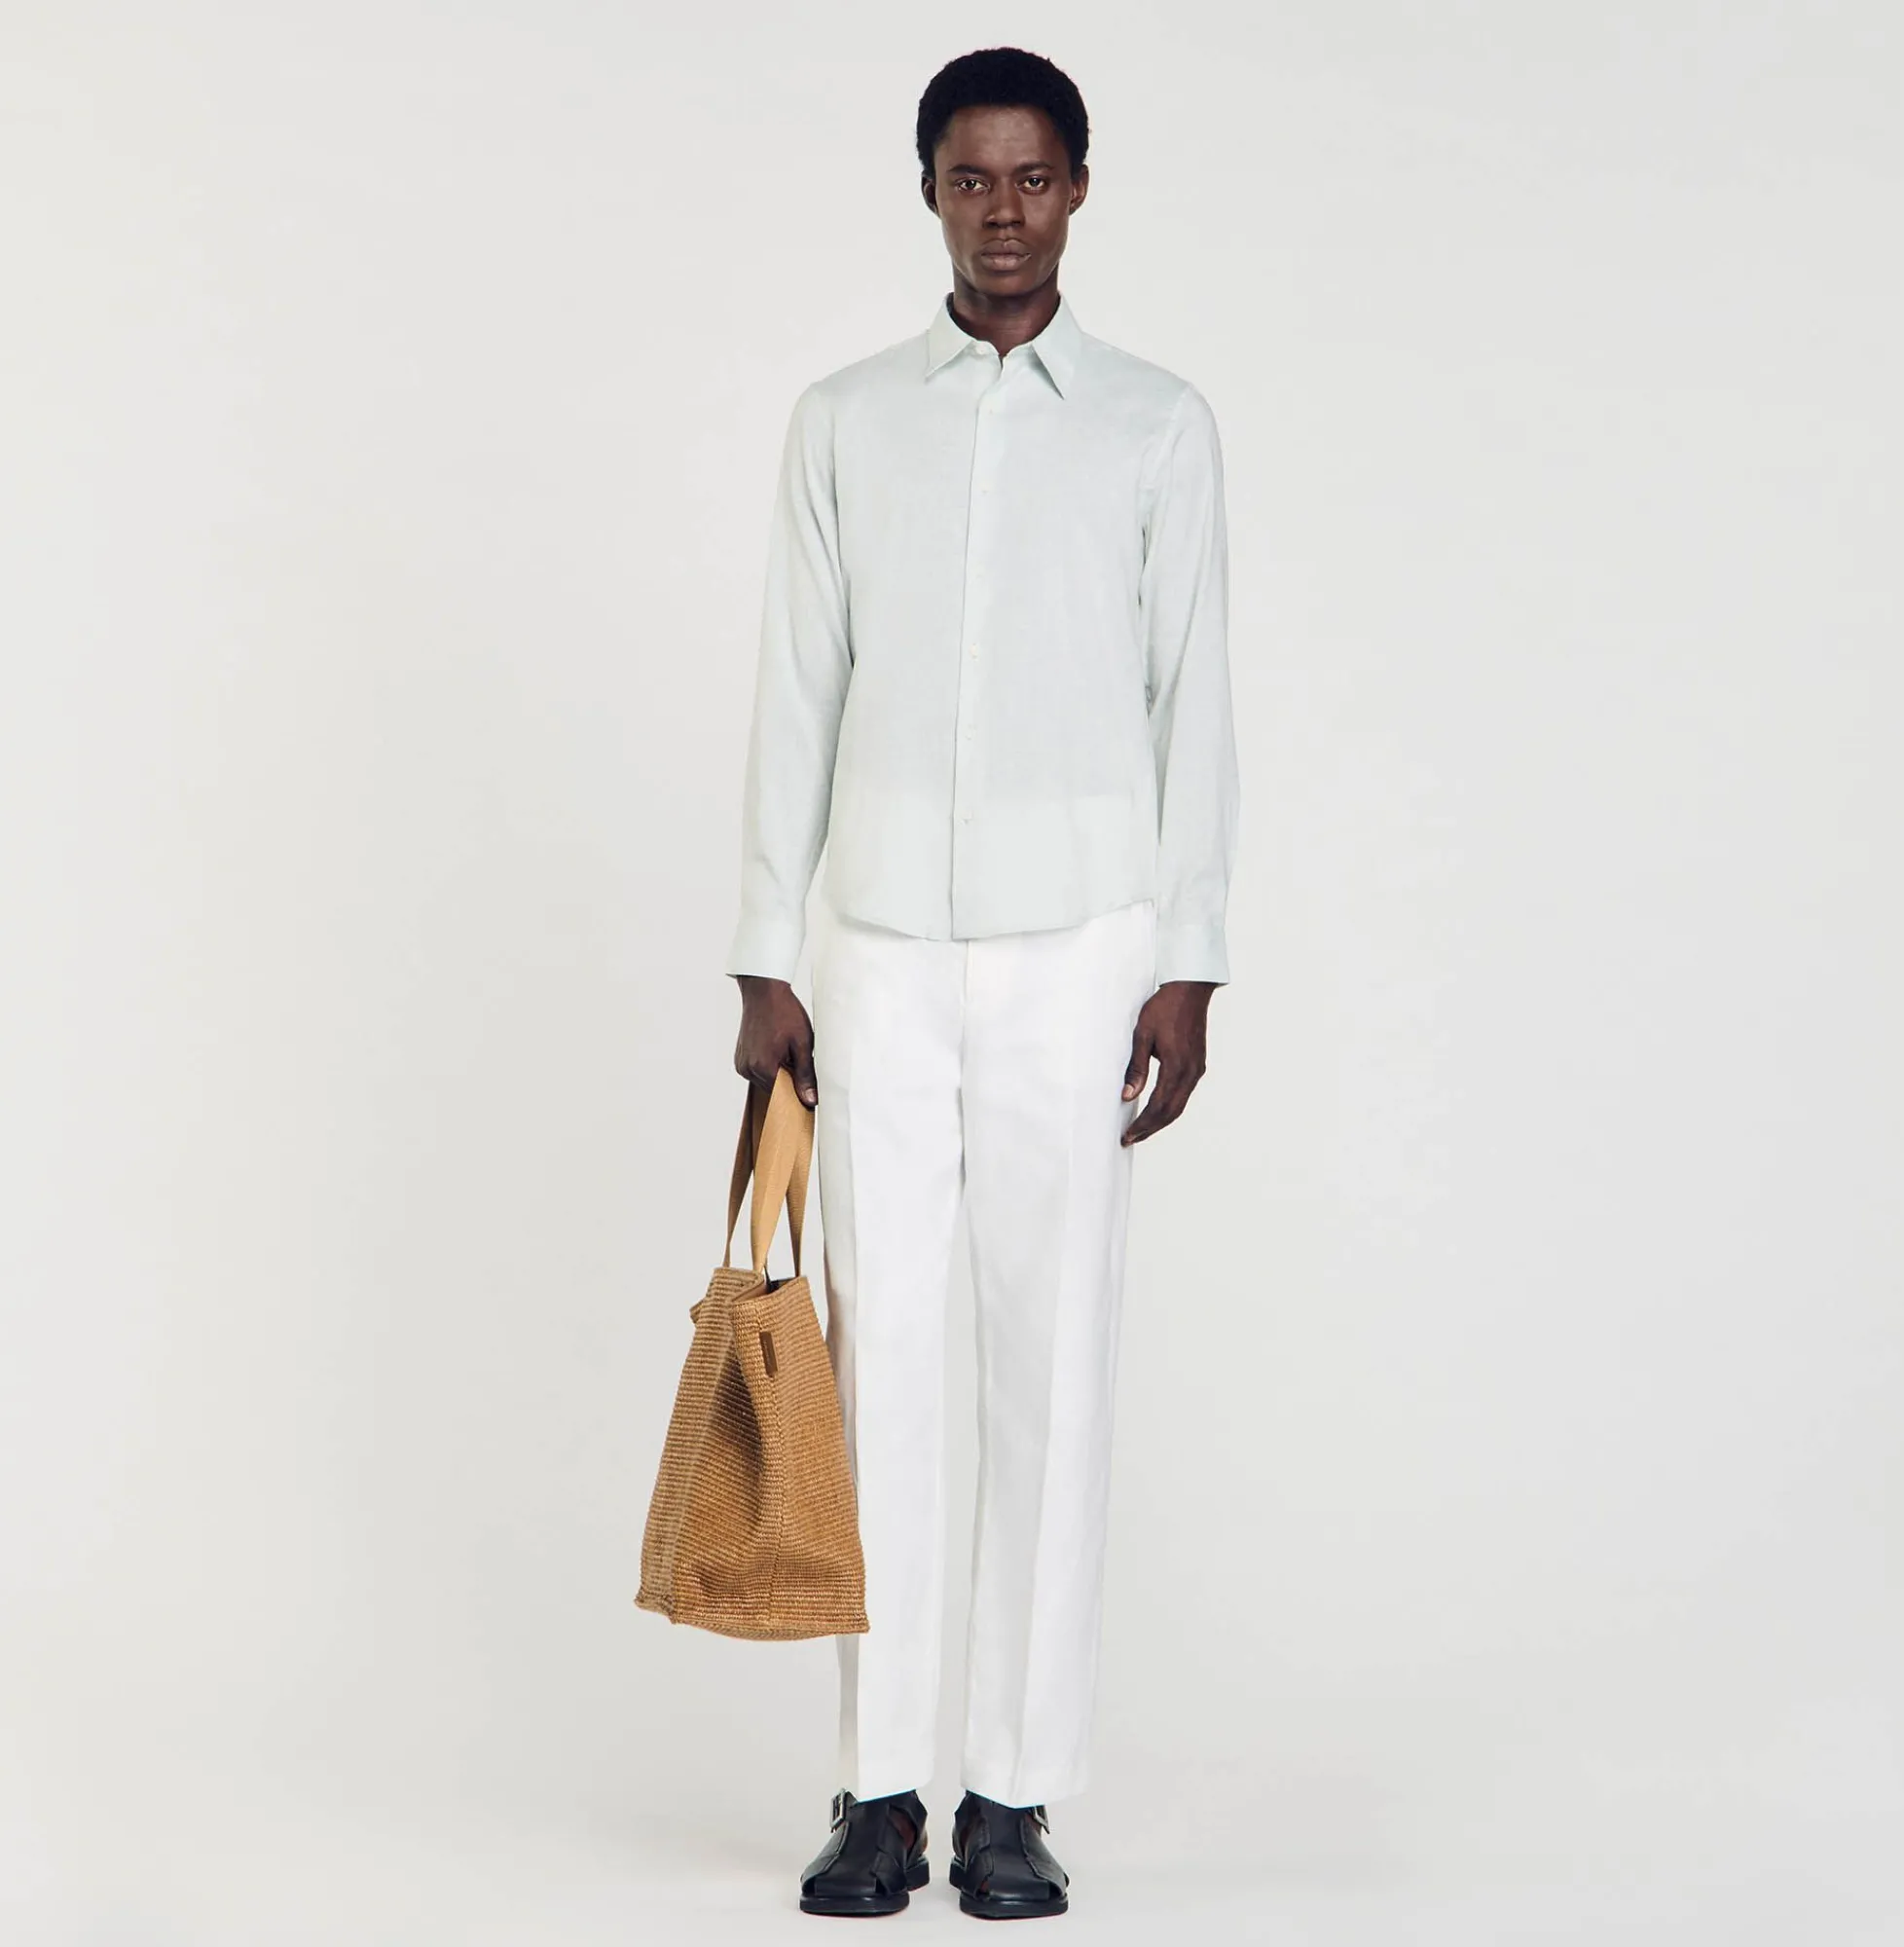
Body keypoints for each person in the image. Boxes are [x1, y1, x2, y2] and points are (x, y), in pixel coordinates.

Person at [725, 46, 1239, 1921]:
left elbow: (1195, 697)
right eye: (969, 178)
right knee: (884, 1368)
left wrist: (1189, 963)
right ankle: (879, 1792)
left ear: (1080, 188)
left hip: (1082, 945)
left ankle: (1012, 1794)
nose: (1001, 212)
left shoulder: (1156, 427)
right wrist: (766, 954)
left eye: (1032, 178)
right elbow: (798, 690)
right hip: (871, 950)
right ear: (930, 191)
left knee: (1051, 1365)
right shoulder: (847, 422)